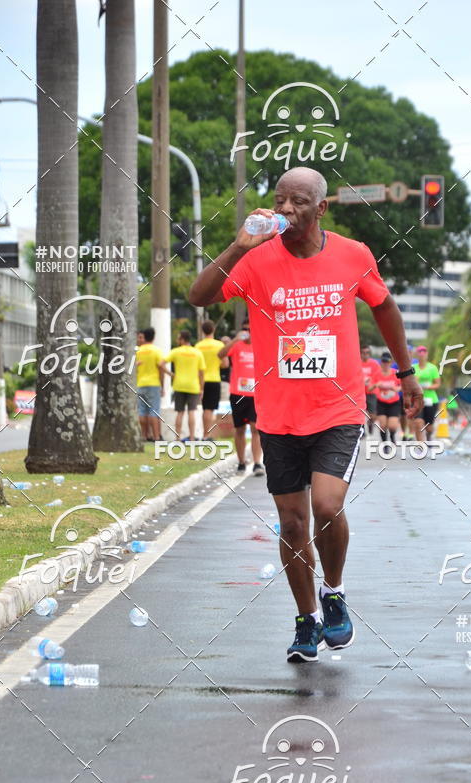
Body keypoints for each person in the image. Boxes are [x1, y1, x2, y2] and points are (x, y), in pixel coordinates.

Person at [189, 165, 422, 663]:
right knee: (291, 525)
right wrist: (238, 247)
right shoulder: (256, 261)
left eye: (297, 202)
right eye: (279, 201)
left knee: (327, 506)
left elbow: (385, 308)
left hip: (338, 407)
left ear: (321, 208)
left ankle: (333, 593)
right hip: (277, 415)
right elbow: (199, 295)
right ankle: (306, 618)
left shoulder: (352, 255)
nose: (286, 210)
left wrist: (406, 374)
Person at [218, 319, 264, 476]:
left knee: (255, 429)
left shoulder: (260, 344)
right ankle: (242, 462)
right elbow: (220, 354)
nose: (247, 332)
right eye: (245, 329)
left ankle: (257, 463)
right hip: (238, 393)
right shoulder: (236, 345)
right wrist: (235, 339)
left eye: (250, 329)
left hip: (255, 394)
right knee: (239, 429)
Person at [159, 330, 205, 442]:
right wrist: (201, 387)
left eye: (178, 338)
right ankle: (193, 438)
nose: (177, 340)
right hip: (193, 386)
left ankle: (177, 438)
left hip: (179, 385)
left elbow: (160, 364)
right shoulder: (197, 353)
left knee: (180, 412)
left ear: (183, 340)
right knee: (191, 412)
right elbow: (202, 372)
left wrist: (171, 374)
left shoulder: (175, 351)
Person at [196, 319, 225, 439]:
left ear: (202, 331)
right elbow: (225, 364)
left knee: (205, 408)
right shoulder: (220, 345)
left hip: (201, 380)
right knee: (209, 409)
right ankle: (206, 435)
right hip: (214, 379)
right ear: (214, 330)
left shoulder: (198, 346)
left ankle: (205, 434)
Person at [136, 326, 163, 441]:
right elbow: (161, 367)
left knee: (142, 410)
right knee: (154, 410)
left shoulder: (138, 351)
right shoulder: (156, 351)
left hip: (140, 383)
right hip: (153, 384)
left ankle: (144, 435)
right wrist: (162, 384)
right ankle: (156, 436)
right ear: (153, 337)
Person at [412, 345, 441, 441]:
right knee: (418, 422)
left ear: (427, 355)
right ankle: (420, 445)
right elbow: (411, 383)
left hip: (431, 399)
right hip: (417, 399)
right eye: (420, 352)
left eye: (424, 352)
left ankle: (429, 437)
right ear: (417, 355)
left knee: (429, 427)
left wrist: (427, 387)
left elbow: (437, 384)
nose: (422, 355)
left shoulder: (432, 368)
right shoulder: (413, 368)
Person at [373, 351, 402, 443]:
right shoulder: (377, 374)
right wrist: (376, 385)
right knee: (383, 425)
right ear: (381, 362)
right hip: (381, 402)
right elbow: (369, 388)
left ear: (391, 362)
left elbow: (403, 386)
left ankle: (392, 436)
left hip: (394, 403)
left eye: (387, 362)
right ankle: (385, 443)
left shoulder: (396, 373)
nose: (385, 364)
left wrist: (396, 389)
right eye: (383, 362)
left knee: (392, 426)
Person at [360, 344, 381, 436]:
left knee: (372, 415)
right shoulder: (357, 363)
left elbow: (379, 376)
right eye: (363, 353)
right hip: (360, 393)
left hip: (371, 392)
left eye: (367, 353)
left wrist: (370, 379)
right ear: (360, 354)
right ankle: (362, 429)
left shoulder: (374, 364)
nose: (365, 354)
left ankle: (370, 424)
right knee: (360, 413)